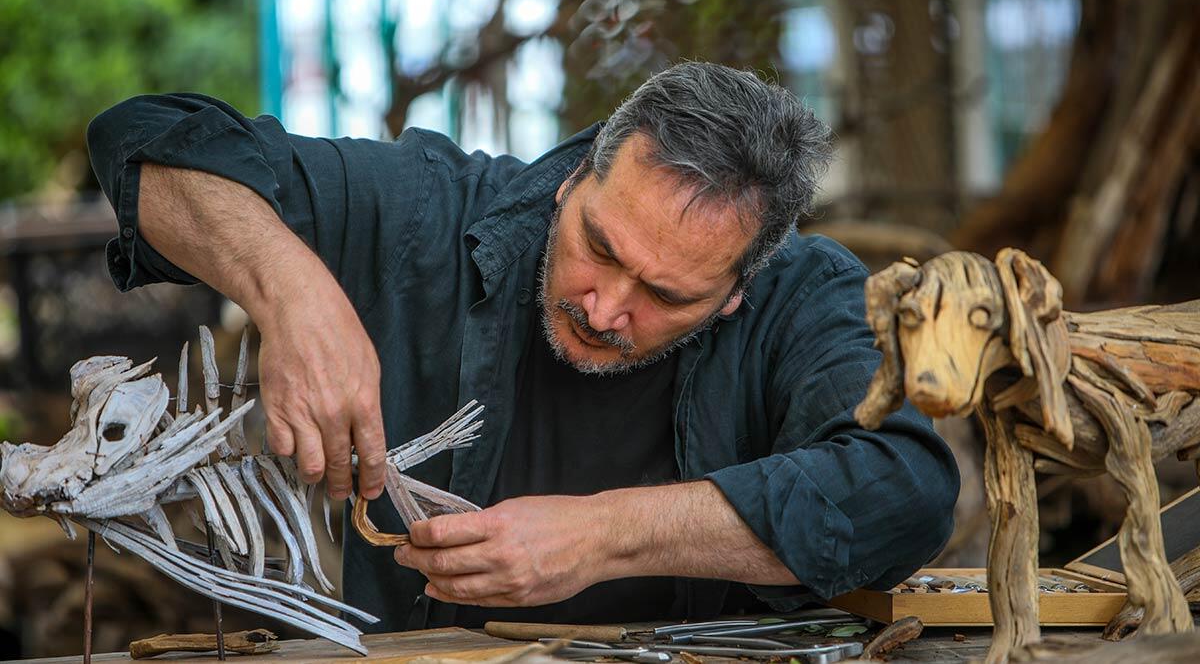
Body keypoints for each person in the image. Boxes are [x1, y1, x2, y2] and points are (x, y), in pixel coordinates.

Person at [86, 61, 959, 630]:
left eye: (665, 295)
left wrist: (605, 535)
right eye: (600, 247)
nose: (605, 307)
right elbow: (148, 144)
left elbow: (905, 489)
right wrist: (294, 293)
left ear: (737, 290)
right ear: (572, 181)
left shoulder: (803, 294)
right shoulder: (430, 210)